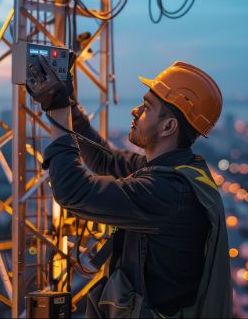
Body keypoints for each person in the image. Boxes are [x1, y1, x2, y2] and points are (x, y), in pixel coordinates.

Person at [27, 60, 232, 318]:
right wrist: (69, 108)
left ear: (169, 126)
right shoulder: (176, 171)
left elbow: (72, 191)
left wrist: (57, 110)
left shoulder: (169, 192)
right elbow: (106, 162)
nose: (135, 111)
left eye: (146, 108)